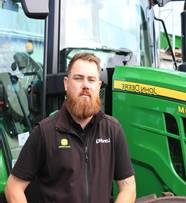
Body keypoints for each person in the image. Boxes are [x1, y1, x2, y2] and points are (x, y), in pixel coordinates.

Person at [5, 52, 136, 203]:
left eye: (91, 80)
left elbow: (128, 187)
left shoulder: (113, 130)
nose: (86, 85)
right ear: (66, 84)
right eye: (78, 78)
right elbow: (13, 187)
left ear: (98, 86)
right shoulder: (44, 132)